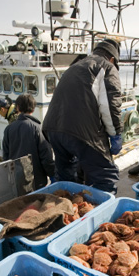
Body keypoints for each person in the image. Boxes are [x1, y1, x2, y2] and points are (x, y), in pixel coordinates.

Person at [42, 39, 123, 194]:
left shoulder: (76, 65)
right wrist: (115, 134)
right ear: (112, 58)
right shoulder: (107, 67)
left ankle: (68, 212)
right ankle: (100, 215)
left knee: (66, 180)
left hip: (53, 129)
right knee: (106, 176)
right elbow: (110, 106)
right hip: (80, 132)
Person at [2, 93, 55, 189]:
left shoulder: (8, 129)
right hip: (37, 181)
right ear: (33, 108)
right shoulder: (37, 128)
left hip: (17, 179)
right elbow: (46, 155)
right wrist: (52, 174)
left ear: (17, 108)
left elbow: (6, 156)